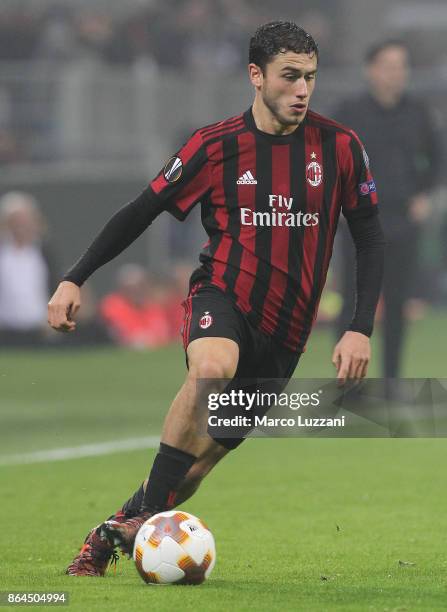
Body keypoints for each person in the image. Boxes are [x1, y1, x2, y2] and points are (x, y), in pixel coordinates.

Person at [48, 21, 385, 577]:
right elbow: (140, 211)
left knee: (200, 465)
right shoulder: (214, 145)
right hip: (223, 295)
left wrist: (358, 326)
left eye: (311, 78)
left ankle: (114, 529)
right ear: (256, 76)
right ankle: (149, 520)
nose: (303, 89)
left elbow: (370, 235)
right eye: (290, 76)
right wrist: (75, 276)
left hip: (288, 329)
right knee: (212, 366)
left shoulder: (339, 146)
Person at [333, 40, 441, 386]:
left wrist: (423, 195)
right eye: (389, 65)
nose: (397, 73)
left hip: (402, 220)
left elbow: (439, 159)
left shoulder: (419, 113)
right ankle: (350, 382)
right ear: (371, 70)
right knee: (353, 303)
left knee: (397, 304)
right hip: (360, 222)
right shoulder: (349, 113)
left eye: (402, 66)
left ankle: (392, 381)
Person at [0, 191, 58, 346]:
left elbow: (54, 285)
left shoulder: (43, 251)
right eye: (16, 221)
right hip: (5, 331)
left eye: (25, 220)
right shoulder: (3, 252)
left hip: (38, 330)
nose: (21, 226)